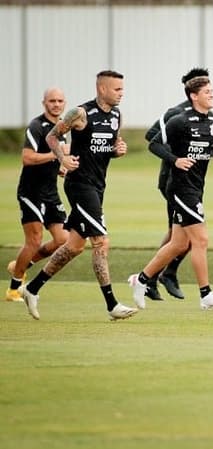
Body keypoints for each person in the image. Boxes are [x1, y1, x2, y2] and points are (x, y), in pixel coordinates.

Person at [19, 70, 138, 321]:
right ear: (102, 89)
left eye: (122, 89)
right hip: (79, 185)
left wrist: (119, 149)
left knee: (73, 246)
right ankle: (111, 304)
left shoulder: (116, 115)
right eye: (117, 89)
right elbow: (52, 136)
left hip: (98, 186)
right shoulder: (80, 114)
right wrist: (63, 158)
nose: (121, 93)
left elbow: (110, 147)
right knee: (101, 242)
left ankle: (32, 288)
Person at [128, 76, 213, 311]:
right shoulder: (179, 121)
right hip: (180, 188)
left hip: (197, 187)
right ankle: (206, 294)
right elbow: (153, 143)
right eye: (207, 92)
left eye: (212, 91)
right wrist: (175, 160)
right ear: (194, 96)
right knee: (201, 239)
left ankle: (141, 280)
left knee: (177, 243)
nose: (211, 95)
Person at [143, 67, 210, 301]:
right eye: (203, 87)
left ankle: (155, 276)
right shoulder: (177, 113)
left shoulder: (206, 117)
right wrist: (176, 159)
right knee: (189, 233)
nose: (208, 91)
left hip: (192, 181)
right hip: (173, 179)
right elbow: (151, 136)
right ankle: (158, 275)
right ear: (191, 91)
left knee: (180, 233)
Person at [5, 88, 70, 303]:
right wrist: (57, 154)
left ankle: (20, 266)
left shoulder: (62, 128)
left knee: (63, 239)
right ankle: (14, 288)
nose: (56, 104)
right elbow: (27, 158)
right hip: (31, 192)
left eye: (60, 101)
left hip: (50, 192)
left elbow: (55, 161)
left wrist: (61, 168)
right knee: (34, 241)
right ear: (44, 103)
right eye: (52, 101)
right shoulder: (36, 126)